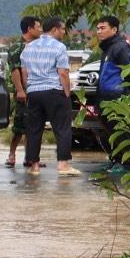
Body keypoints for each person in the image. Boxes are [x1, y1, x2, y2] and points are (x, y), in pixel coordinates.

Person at [20, 17, 77, 176]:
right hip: (53, 91)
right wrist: (67, 93)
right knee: (62, 128)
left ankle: (34, 166)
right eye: (63, 29)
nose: (64, 32)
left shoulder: (28, 47)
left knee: (34, 129)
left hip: (34, 92)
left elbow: (24, 73)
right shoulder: (59, 47)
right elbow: (63, 73)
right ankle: (63, 164)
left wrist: (29, 89)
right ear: (54, 29)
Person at [92, 15, 130, 168]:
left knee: (121, 132)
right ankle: (115, 160)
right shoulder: (108, 48)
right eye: (97, 28)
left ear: (114, 29)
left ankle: (126, 164)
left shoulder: (121, 46)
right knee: (107, 132)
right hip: (104, 99)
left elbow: (129, 70)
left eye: (103, 28)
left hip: (117, 99)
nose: (99, 31)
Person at [5, 16, 41, 169]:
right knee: (20, 126)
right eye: (38, 27)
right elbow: (15, 70)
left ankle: (30, 157)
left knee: (34, 126)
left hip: (37, 90)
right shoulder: (17, 48)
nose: (40, 30)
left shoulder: (38, 46)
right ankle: (12, 154)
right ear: (29, 29)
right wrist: (20, 90)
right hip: (24, 92)